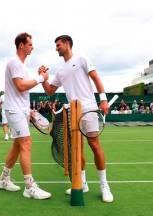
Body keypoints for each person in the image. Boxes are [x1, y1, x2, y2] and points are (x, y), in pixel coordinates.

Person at [39, 35, 113, 203]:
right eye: (56, 46)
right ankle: (83, 183)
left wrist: (103, 99)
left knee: (94, 144)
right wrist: (43, 78)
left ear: (67, 44)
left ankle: (104, 186)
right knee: (76, 150)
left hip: (89, 108)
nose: (56, 48)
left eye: (58, 45)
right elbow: (50, 90)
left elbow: (96, 78)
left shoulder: (82, 59)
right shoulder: (60, 70)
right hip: (73, 111)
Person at [0, 32, 51, 200]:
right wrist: (40, 78)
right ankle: (29, 187)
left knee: (17, 146)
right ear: (21, 45)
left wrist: (29, 110)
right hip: (14, 111)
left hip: (21, 110)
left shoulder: (22, 67)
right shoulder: (14, 62)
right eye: (30, 44)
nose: (32, 47)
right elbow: (20, 86)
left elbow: (23, 90)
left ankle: (3, 179)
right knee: (26, 143)